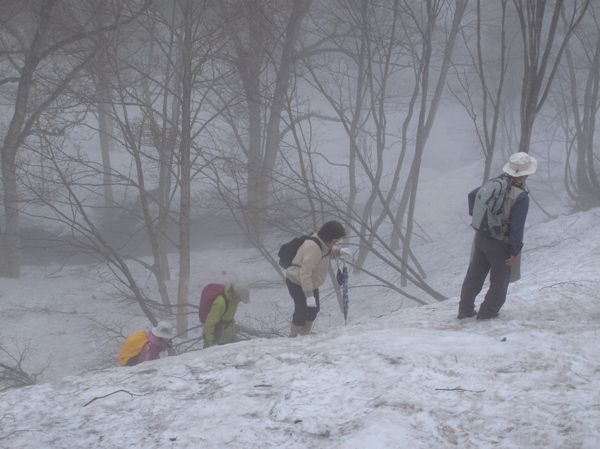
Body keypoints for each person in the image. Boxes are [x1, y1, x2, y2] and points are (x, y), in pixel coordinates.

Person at [458, 152, 537, 320]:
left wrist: (479, 217)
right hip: (500, 244)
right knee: (499, 281)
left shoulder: (494, 183)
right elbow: (517, 227)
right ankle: (488, 313)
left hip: (481, 237)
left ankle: (464, 310)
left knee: (474, 275)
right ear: (524, 174)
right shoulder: (521, 196)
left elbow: (472, 196)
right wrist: (515, 251)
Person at [285, 220, 352, 337]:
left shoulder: (323, 244)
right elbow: (305, 273)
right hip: (296, 281)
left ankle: (304, 334)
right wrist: (309, 295)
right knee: (301, 311)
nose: (336, 243)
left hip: (310, 283)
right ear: (328, 237)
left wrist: (340, 252)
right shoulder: (312, 248)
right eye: (335, 241)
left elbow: (328, 253)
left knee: (313, 311)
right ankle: (293, 337)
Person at [203, 284, 250, 348]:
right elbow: (210, 323)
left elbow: (229, 318)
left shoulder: (234, 301)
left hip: (228, 337)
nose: (240, 301)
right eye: (240, 298)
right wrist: (210, 343)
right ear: (236, 294)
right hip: (218, 340)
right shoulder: (220, 303)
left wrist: (233, 334)